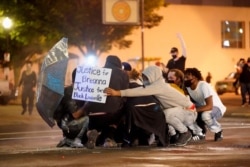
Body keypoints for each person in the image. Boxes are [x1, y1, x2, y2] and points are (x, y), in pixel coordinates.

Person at [105, 65, 198, 147]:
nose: (144, 79)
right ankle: (174, 136)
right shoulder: (158, 85)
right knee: (162, 113)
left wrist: (116, 93)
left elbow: (138, 91)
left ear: (153, 76)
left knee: (165, 114)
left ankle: (185, 133)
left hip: (188, 112)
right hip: (183, 111)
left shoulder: (158, 86)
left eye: (146, 77)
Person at [73, 55, 129, 149]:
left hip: (93, 112)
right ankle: (109, 138)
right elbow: (124, 93)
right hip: (112, 112)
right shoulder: (123, 74)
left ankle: (91, 132)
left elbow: (85, 94)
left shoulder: (97, 73)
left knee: (95, 124)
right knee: (119, 114)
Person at [122, 65, 168, 147]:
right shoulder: (144, 87)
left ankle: (131, 139)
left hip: (136, 111)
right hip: (155, 110)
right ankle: (158, 140)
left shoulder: (126, 87)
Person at [184, 68, 226, 141]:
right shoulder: (188, 87)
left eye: (187, 77)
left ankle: (218, 131)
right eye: (185, 77)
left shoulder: (203, 85)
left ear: (195, 77)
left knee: (205, 115)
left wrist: (194, 110)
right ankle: (199, 133)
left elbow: (209, 106)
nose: (185, 79)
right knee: (185, 113)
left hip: (216, 108)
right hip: (202, 107)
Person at [53, 68, 89, 148]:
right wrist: (88, 104)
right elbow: (75, 115)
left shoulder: (78, 91)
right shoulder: (70, 92)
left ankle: (68, 139)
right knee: (87, 119)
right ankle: (76, 140)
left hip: (69, 122)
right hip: (68, 124)